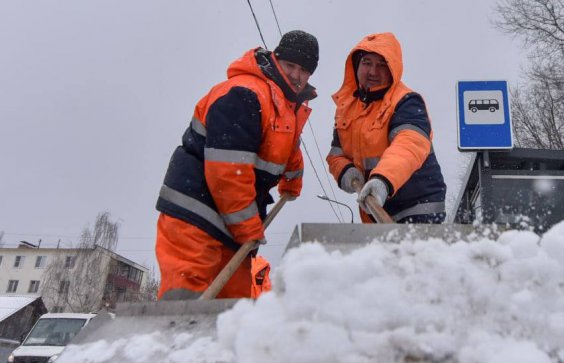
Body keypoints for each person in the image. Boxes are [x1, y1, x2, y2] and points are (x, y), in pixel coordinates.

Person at [155, 30, 319, 300]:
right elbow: (228, 169)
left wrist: (293, 179)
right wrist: (248, 227)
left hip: (231, 224)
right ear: (276, 60)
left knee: (231, 312)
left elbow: (284, 144)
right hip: (195, 217)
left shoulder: (284, 106)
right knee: (184, 310)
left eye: (304, 70)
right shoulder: (245, 93)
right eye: (290, 65)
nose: (296, 75)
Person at [326, 32, 446, 223]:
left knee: (412, 254)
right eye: (367, 62)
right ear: (356, 65)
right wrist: (346, 170)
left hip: (417, 209)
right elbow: (336, 154)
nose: (373, 72)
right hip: (375, 212)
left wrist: (383, 180)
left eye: (382, 65)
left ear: (393, 69)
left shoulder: (406, 101)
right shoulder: (346, 109)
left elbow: (408, 145)